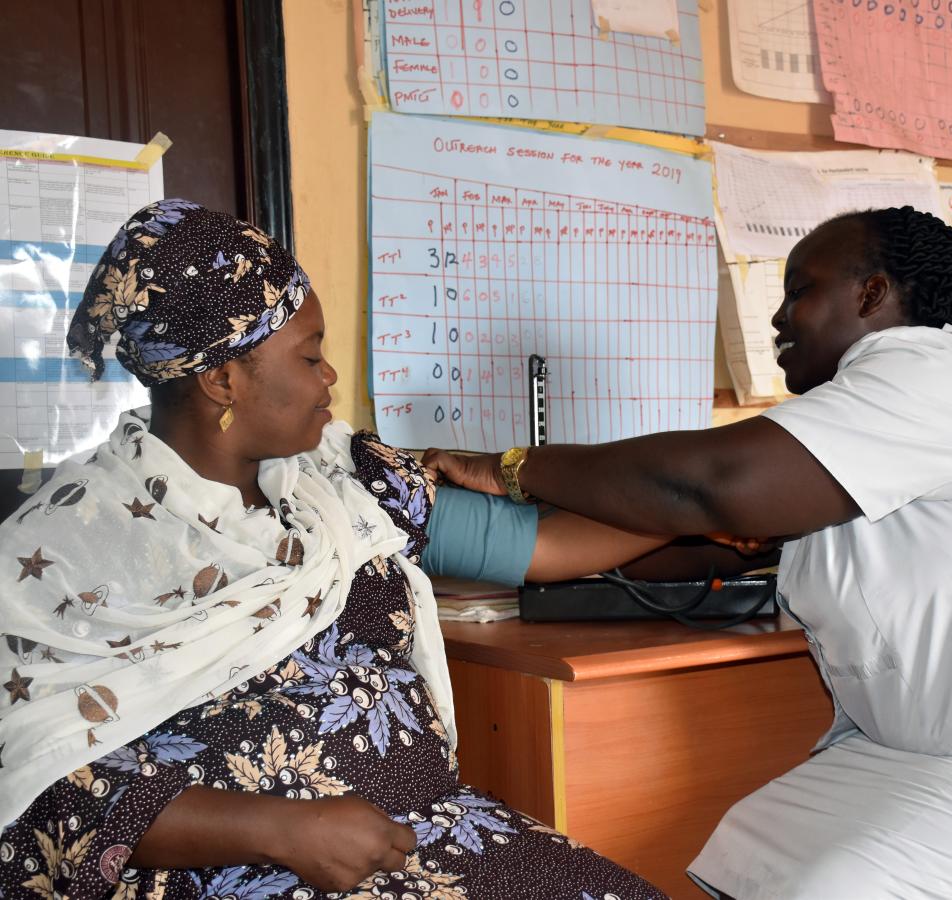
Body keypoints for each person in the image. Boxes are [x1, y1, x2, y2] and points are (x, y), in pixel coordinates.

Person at [425, 206, 952, 899]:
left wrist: (509, 468)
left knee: (842, 884)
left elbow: (715, 484)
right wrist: (467, 524)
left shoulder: (936, 365)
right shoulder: (846, 434)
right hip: (942, 747)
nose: (777, 317)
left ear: (872, 295)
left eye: (800, 289)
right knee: (770, 844)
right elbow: (686, 542)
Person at [0, 199, 676, 899]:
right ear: (222, 379)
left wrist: (699, 513)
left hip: (432, 837)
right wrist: (279, 830)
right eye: (311, 355)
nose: (329, 379)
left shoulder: (342, 479)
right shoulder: (61, 551)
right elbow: (36, 785)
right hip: (236, 873)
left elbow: (542, 546)